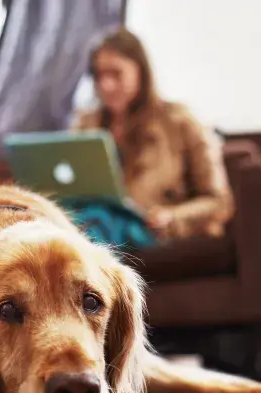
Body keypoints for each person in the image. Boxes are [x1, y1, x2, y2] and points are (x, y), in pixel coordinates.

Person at [67, 27, 234, 248]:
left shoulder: (179, 121)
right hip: (90, 219)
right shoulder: (85, 125)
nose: (105, 85)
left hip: (148, 227)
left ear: (141, 72)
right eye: (98, 76)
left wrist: (172, 217)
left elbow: (220, 203)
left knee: (95, 222)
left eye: (116, 74)